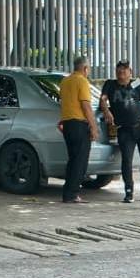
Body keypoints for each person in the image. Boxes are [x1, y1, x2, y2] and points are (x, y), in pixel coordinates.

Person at [101, 60, 140, 203]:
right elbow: (103, 99)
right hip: (124, 129)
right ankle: (128, 191)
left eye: (123, 72)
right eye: (118, 72)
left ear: (130, 72)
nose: (121, 75)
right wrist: (106, 111)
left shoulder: (137, 85)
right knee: (127, 161)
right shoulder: (110, 84)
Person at [58, 57, 98, 203]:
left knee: (73, 160)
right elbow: (86, 106)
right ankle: (72, 194)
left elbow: (64, 103)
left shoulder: (65, 81)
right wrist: (94, 127)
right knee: (80, 161)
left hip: (67, 125)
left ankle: (68, 192)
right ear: (85, 68)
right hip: (79, 125)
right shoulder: (82, 81)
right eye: (89, 69)